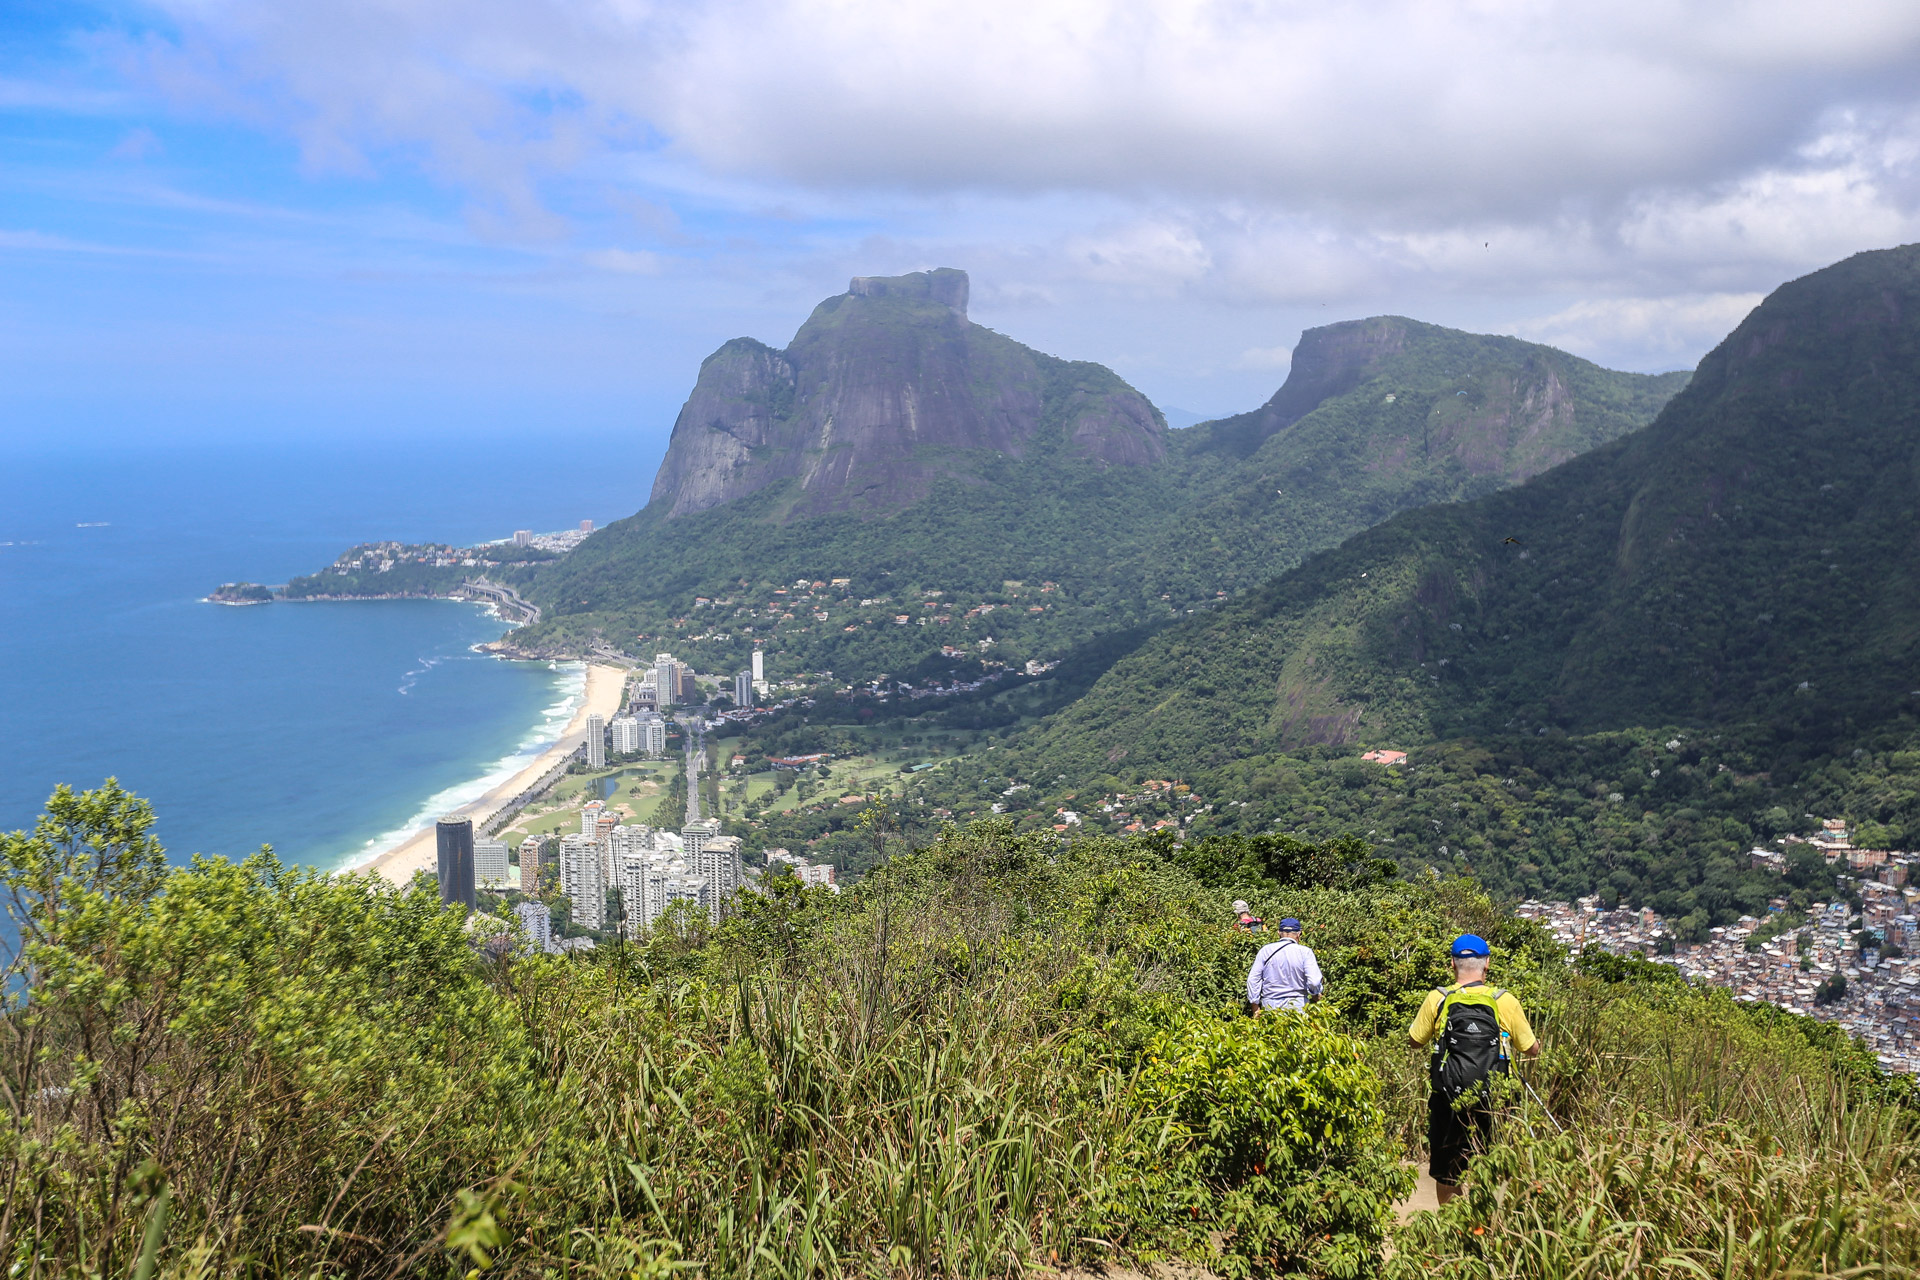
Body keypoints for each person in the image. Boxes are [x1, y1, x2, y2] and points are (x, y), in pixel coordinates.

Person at [1408, 934, 1540, 1204]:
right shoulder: (1505, 1000)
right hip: (1495, 1101)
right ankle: (1489, 1227)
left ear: (1453, 965)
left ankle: (1452, 1232)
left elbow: (1414, 1041)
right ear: (1487, 964)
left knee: (1448, 1174)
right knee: (1494, 1168)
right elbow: (1532, 1049)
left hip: (1448, 1100)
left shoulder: (1438, 998)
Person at [1245, 917, 1323, 1012]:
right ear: (1299, 934)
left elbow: (1253, 979)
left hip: (1270, 1005)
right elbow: (1314, 982)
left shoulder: (1265, 951)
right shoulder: (1305, 952)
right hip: (1298, 1004)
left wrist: (1255, 1007)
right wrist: (1315, 994)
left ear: (1279, 933)